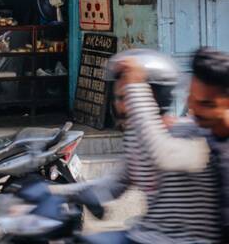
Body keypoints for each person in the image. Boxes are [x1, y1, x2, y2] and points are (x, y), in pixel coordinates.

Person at [55, 49, 220, 244]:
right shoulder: (137, 138)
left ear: (152, 98)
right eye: (119, 98)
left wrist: (135, 87)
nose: (120, 105)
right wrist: (53, 192)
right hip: (146, 235)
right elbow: (115, 183)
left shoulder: (191, 134)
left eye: (126, 97)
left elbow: (162, 153)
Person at [126, 47, 229, 241]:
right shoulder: (206, 132)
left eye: (206, 104)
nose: (194, 109)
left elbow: (163, 153)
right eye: (191, 99)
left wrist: (135, 86)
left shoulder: (211, 145)